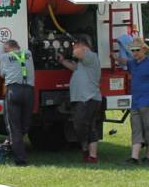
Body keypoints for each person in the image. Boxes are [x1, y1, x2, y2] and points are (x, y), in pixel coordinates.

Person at [57, 35, 102, 163]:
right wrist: (62, 61)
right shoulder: (84, 63)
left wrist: (73, 44)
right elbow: (73, 67)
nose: (74, 47)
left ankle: (91, 155)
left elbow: (76, 52)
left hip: (88, 98)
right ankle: (86, 151)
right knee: (80, 126)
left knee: (85, 126)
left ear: (83, 46)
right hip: (83, 99)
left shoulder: (90, 56)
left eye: (76, 45)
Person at [0, 39, 35, 166]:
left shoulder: (5, 57)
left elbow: (2, 74)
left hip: (14, 91)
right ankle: (7, 145)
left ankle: (20, 159)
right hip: (29, 91)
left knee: (14, 127)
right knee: (24, 125)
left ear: (7, 48)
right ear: (18, 46)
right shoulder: (28, 54)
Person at [112, 37, 149, 164]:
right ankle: (134, 158)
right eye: (132, 50)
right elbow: (124, 61)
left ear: (144, 49)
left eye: (137, 50)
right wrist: (115, 57)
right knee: (136, 129)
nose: (134, 53)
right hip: (135, 103)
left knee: (148, 128)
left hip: (147, 102)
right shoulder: (133, 63)